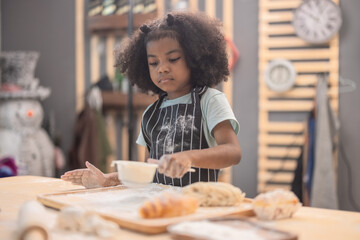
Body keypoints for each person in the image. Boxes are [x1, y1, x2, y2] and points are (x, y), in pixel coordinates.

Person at [61, 11, 241, 188]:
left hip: (198, 207)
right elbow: (147, 172)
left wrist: (189, 157)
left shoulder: (210, 100)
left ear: (194, 58)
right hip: (159, 208)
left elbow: (233, 152)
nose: (162, 68)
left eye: (173, 59)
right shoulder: (151, 114)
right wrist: (107, 180)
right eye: (153, 63)